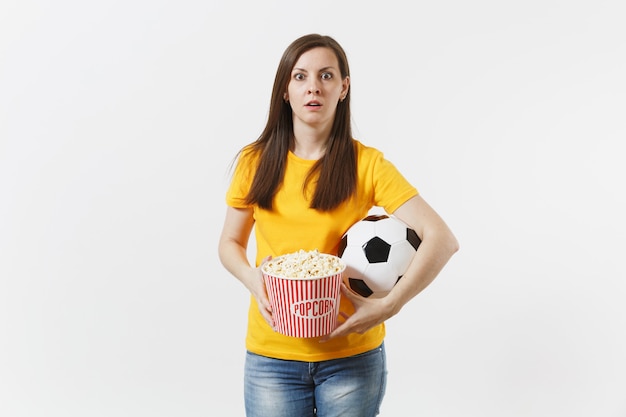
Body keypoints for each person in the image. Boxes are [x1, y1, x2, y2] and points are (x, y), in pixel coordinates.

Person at [218, 33, 459, 417]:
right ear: (285, 89)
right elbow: (230, 242)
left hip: (352, 358)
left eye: (326, 76)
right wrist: (252, 278)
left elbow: (442, 239)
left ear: (344, 87)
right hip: (272, 357)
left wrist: (390, 305)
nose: (313, 86)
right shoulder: (255, 161)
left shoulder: (367, 164)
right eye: (300, 76)